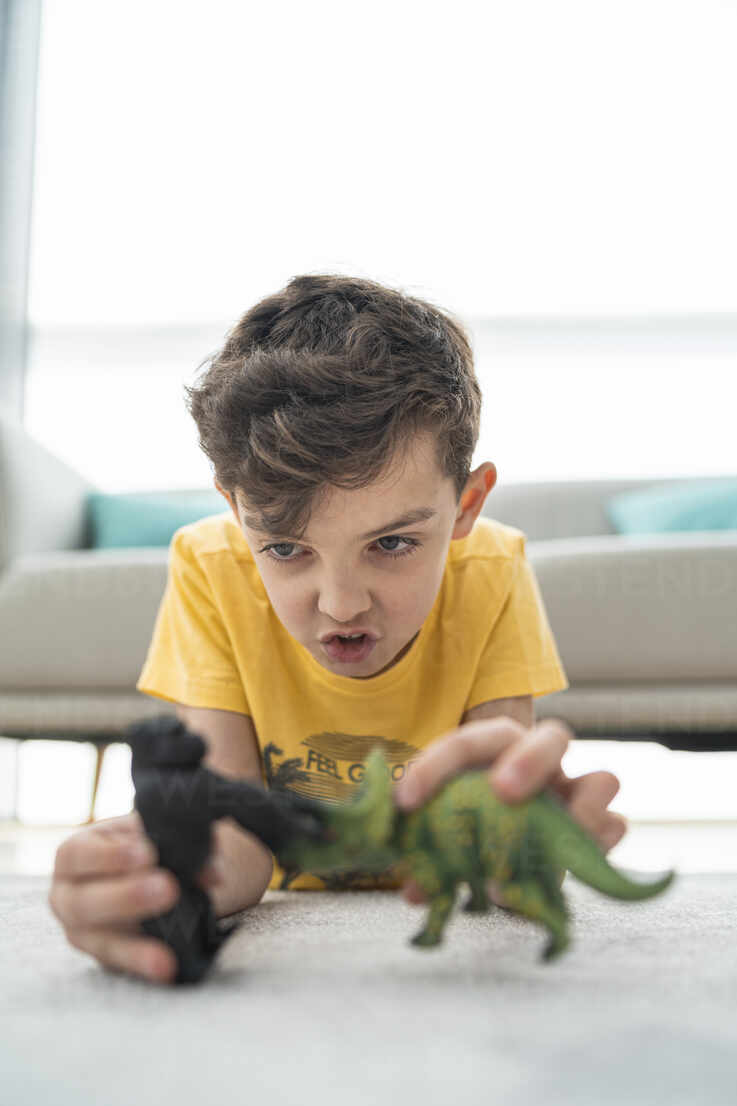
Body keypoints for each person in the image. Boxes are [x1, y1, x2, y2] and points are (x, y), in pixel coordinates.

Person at [48, 273, 627, 984]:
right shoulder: (207, 566)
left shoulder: (493, 567)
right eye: (287, 549)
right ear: (236, 509)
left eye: (393, 543)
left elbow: (489, 833)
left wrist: (521, 843)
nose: (341, 604)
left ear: (466, 505)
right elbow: (236, 842)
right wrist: (172, 873)